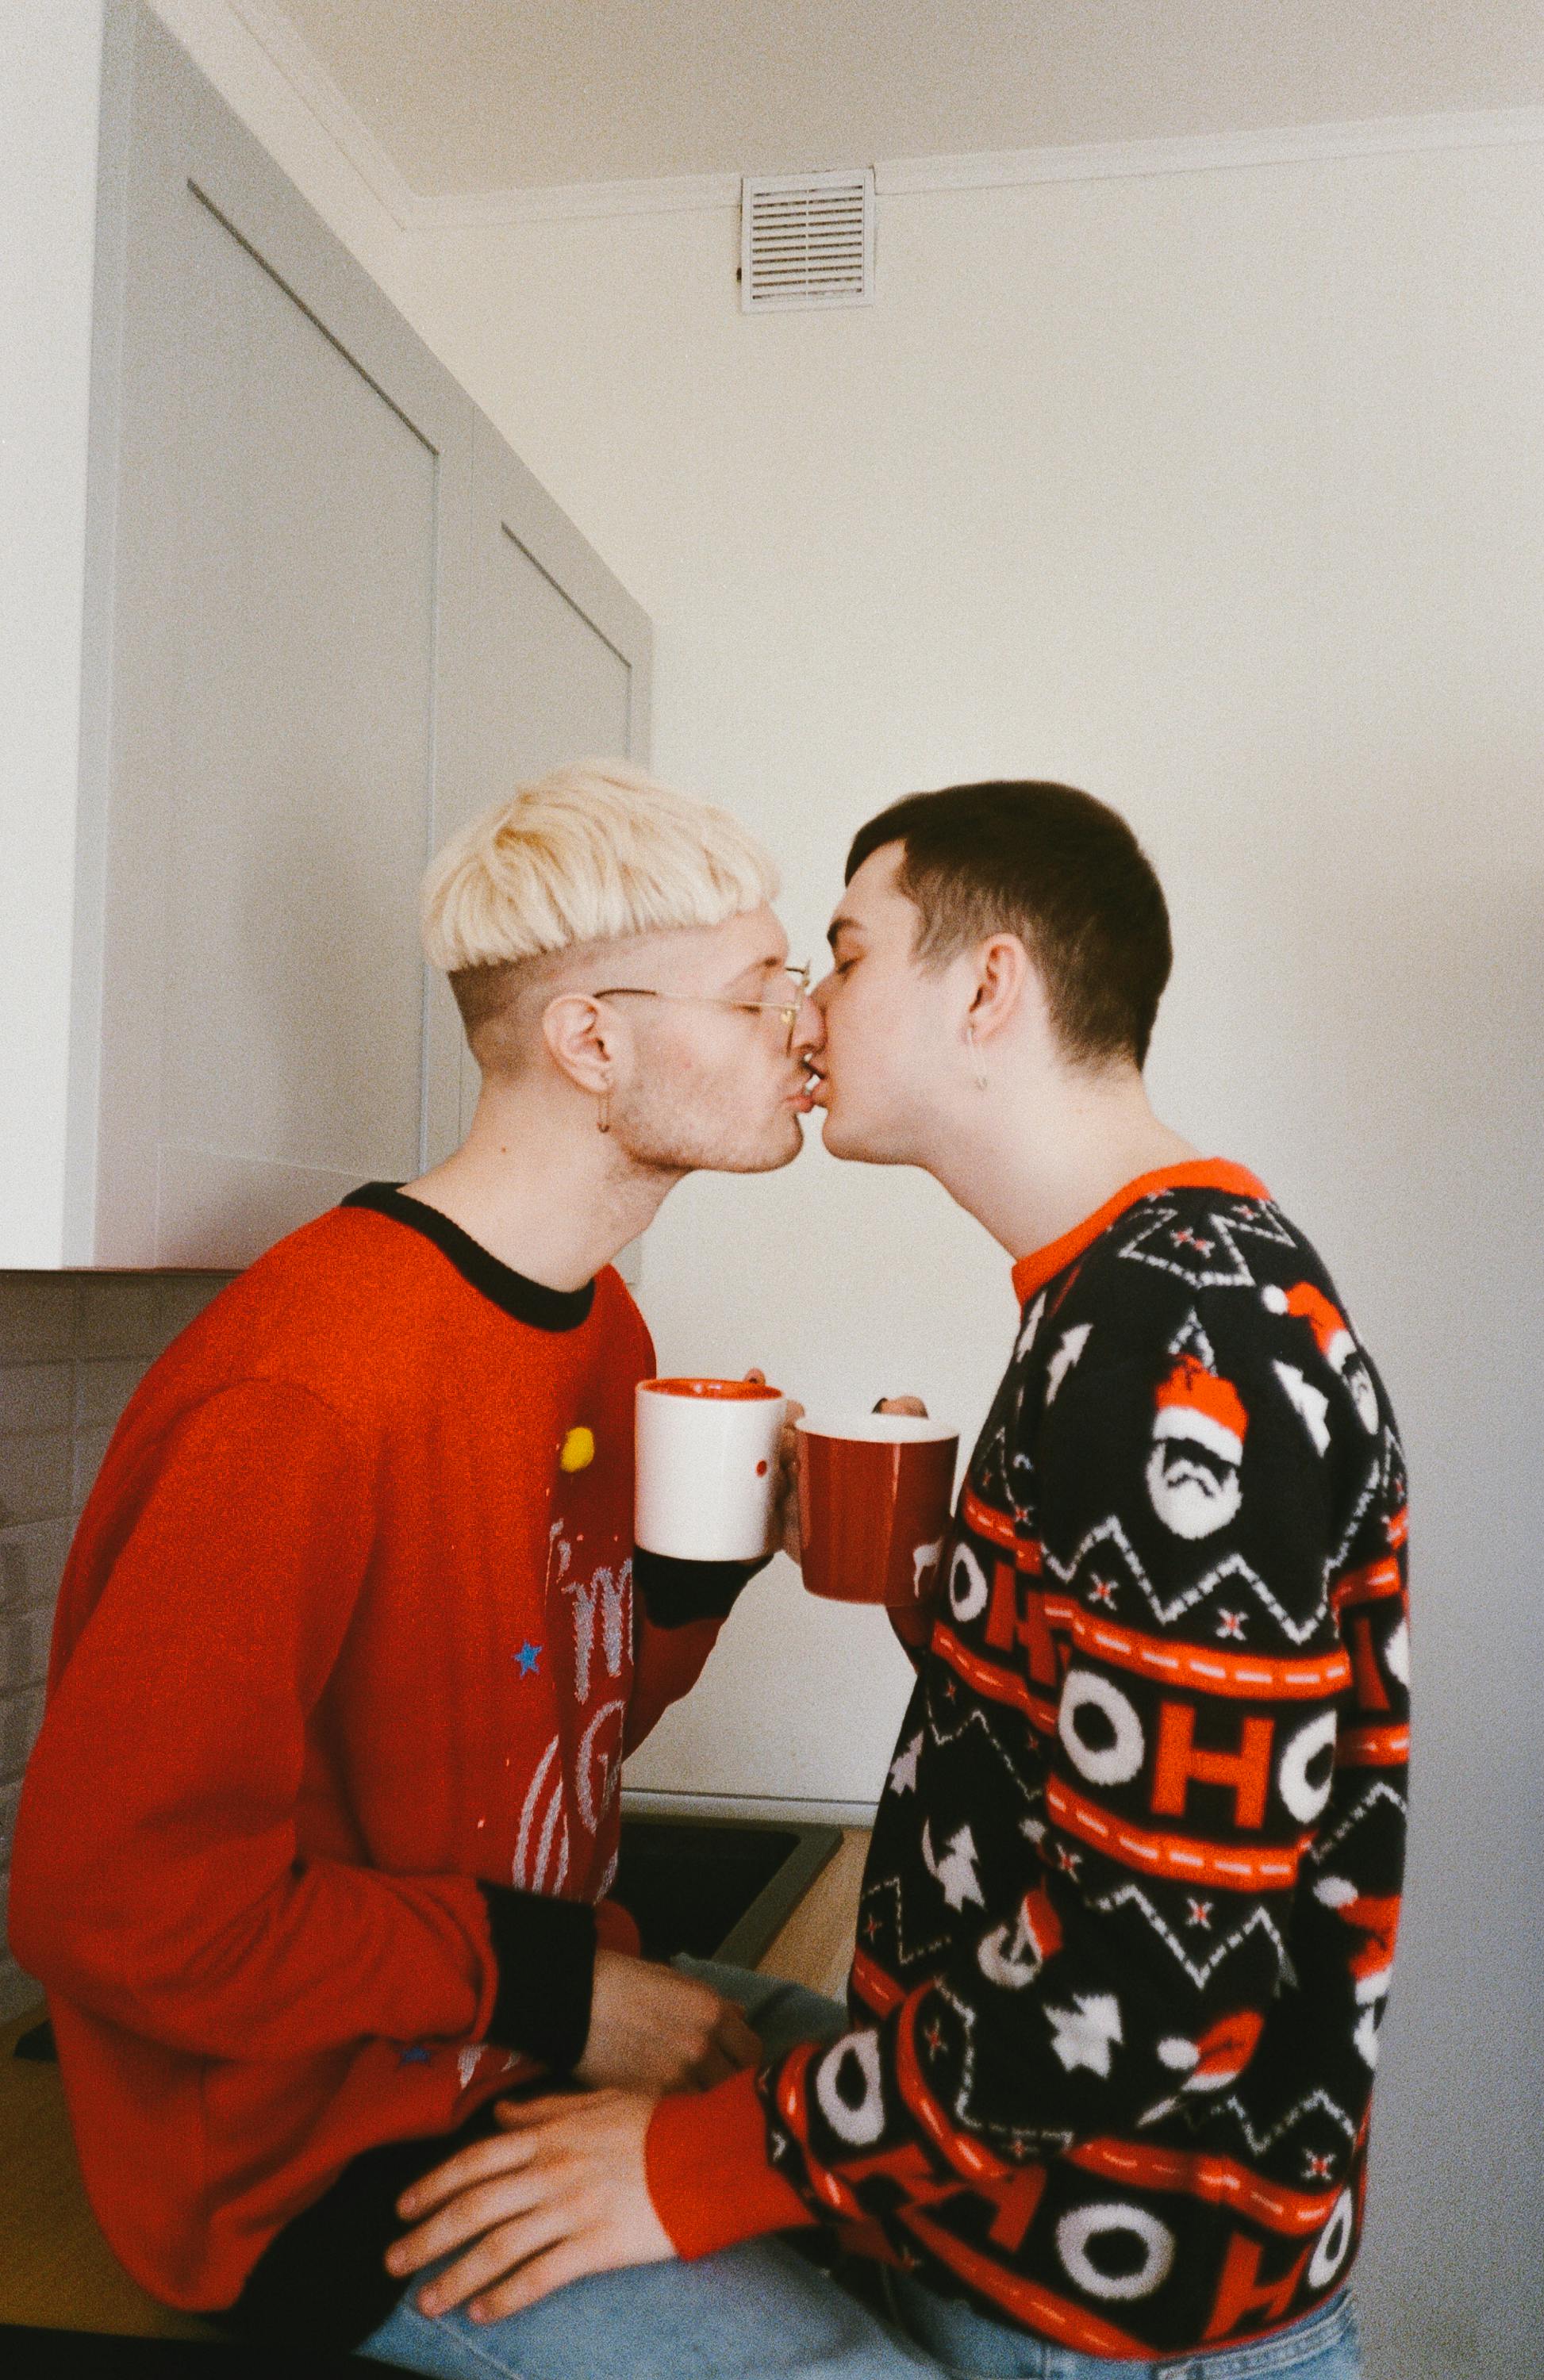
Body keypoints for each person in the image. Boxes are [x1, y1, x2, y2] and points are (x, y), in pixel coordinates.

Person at [386, 781, 1406, 2380]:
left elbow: (1151, 1972)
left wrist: (693, 2171)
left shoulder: (1171, 1340)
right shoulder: (1127, 1292)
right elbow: (1142, 1745)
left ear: (987, 988)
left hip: (1110, 2313)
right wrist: (943, 1578)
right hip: (1039, 2245)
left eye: (846, 956)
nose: (805, 1009)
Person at [11, 762, 946, 2369]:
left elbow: (539, 1740)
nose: (806, 1026)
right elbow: (115, 1907)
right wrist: (558, 1992)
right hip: (316, 2167)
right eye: (756, 991)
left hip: (501, 2039)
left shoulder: (601, 1333)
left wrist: (707, 1565)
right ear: (592, 1041)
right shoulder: (309, 1388)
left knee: (954, 2181)